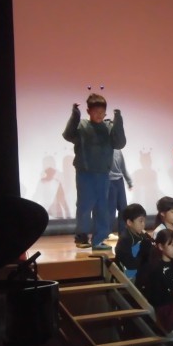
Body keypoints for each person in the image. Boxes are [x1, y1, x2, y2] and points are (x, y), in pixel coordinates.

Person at [62, 92, 126, 250]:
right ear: (88, 111)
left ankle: (98, 240)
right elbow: (68, 135)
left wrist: (118, 120)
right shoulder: (82, 126)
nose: (99, 115)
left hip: (103, 174)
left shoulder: (108, 127)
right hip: (85, 173)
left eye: (102, 112)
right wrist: (75, 115)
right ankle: (82, 236)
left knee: (102, 207)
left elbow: (120, 143)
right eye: (95, 111)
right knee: (84, 205)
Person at [135, 229, 173, 334]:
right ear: (160, 246)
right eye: (171, 245)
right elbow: (155, 297)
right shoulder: (154, 268)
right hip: (165, 311)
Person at [114, 203, 152, 281]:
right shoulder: (125, 239)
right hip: (130, 278)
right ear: (129, 222)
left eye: (144, 221)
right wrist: (143, 251)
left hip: (141, 274)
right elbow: (130, 264)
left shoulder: (142, 236)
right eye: (140, 221)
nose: (143, 224)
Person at [108, 148, 133, 240]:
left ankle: (123, 232)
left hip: (119, 181)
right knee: (111, 208)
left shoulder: (118, 150)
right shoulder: (102, 148)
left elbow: (123, 167)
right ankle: (107, 232)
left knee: (123, 208)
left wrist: (129, 181)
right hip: (108, 181)